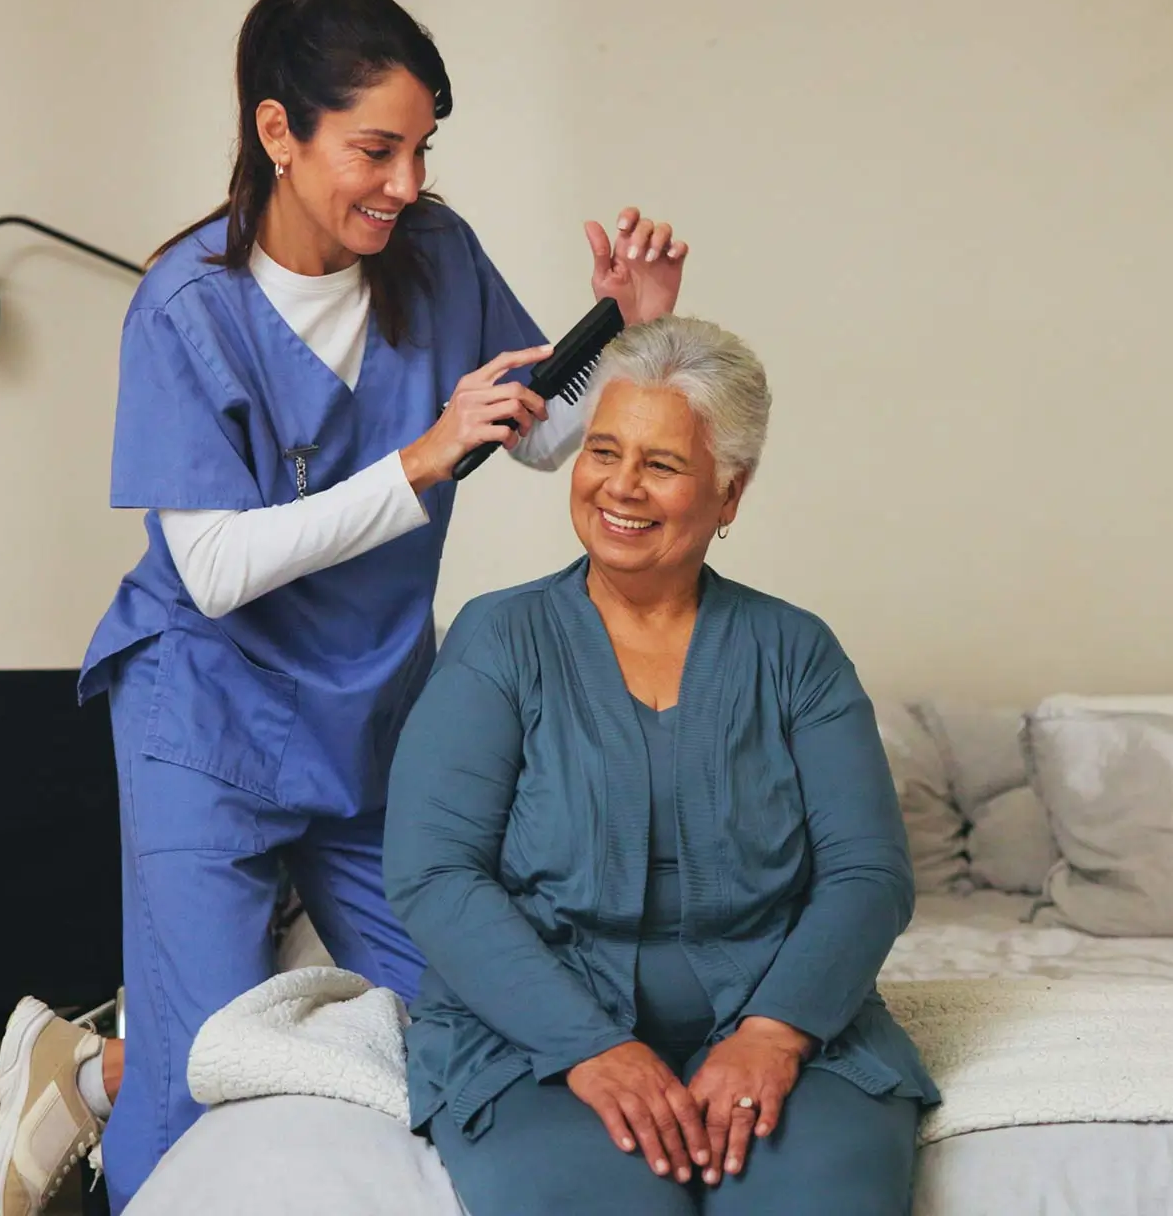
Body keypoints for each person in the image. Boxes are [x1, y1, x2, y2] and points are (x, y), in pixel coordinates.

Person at [0, 0, 691, 1216]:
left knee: (461, 1010)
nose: (407, 180)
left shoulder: (432, 252)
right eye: (376, 147)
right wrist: (418, 457)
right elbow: (211, 567)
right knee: (207, 1072)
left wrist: (625, 330)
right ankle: (120, 1082)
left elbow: (528, 437)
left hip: (367, 712)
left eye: (422, 148)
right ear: (278, 134)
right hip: (205, 715)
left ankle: (96, 1059)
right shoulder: (187, 306)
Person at [383, 316, 940, 1215]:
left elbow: (868, 871)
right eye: (604, 450)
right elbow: (433, 872)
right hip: (532, 1041)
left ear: (729, 494)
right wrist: (587, 1045)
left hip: (781, 1026)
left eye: (663, 464)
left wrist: (774, 1032)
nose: (621, 486)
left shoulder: (796, 652)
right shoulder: (500, 639)